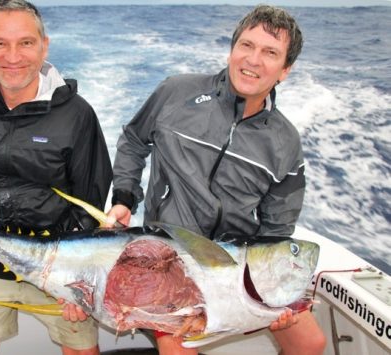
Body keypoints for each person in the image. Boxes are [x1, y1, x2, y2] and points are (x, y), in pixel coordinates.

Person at [107, 4, 326, 355]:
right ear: (232, 49)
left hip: (234, 266)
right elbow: (134, 140)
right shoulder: (176, 93)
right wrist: (123, 197)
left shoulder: (285, 141)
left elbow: (276, 230)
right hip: (168, 259)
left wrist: (270, 297)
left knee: (311, 344)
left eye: (270, 53)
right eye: (246, 46)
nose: (253, 60)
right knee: (179, 350)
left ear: (285, 70)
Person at [0, 1, 111, 354]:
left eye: (26, 43)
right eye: (0, 43)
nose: (13, 56)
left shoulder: (78, 115)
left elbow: (90, 205)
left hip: (60, 269)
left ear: (44, 45)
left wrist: (80, 283)